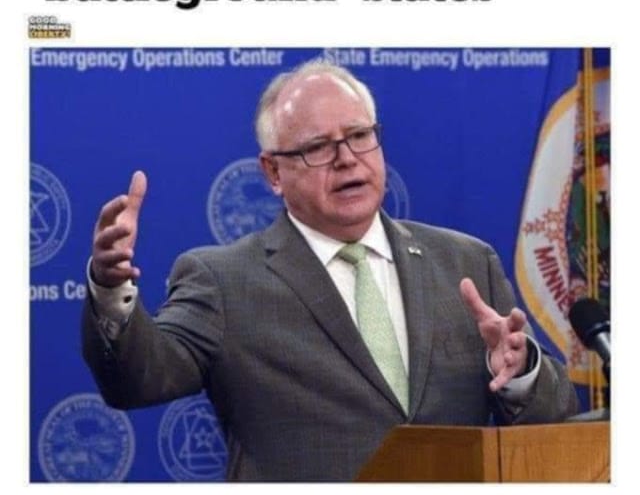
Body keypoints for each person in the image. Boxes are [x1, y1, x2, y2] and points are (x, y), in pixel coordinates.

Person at [82, 61, 578, 481]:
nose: (347, 159)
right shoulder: (223, 281)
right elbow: (138, 380)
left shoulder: (466, 262)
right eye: (318, 147)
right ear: (274, 173)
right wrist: (109, 288)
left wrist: (521, 373)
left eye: (360, 136)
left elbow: (552, 418)